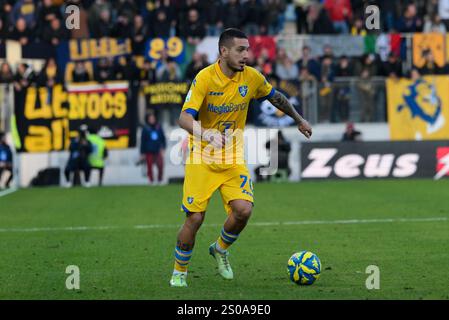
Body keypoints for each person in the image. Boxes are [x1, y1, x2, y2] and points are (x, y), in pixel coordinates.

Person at [170, 28, 312, 287]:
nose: (247, 55)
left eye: (247, 49)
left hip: (232, 156)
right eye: (240, 50)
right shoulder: (204, 79)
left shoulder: (252, 77)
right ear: (223, 52)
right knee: (195, 218)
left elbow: (276, 97)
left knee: (244, 210)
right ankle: (179, 272)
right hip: (202, 156)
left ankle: (221, 249)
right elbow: (183, 118)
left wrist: (299, 119)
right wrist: (206, 134)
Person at [140, 112, 166, 185]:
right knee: (149, 167)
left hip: (158, 150)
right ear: (148, 120)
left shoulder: (158, 127)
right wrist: (142, 153)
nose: (152, 120)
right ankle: (151, 181)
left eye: (153, 118)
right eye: (150, 119)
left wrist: (163, 147)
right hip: (149, 151)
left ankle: (159, 180)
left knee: (160, 165)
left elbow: (163, 138)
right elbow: (142, 141)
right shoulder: (145, 129)